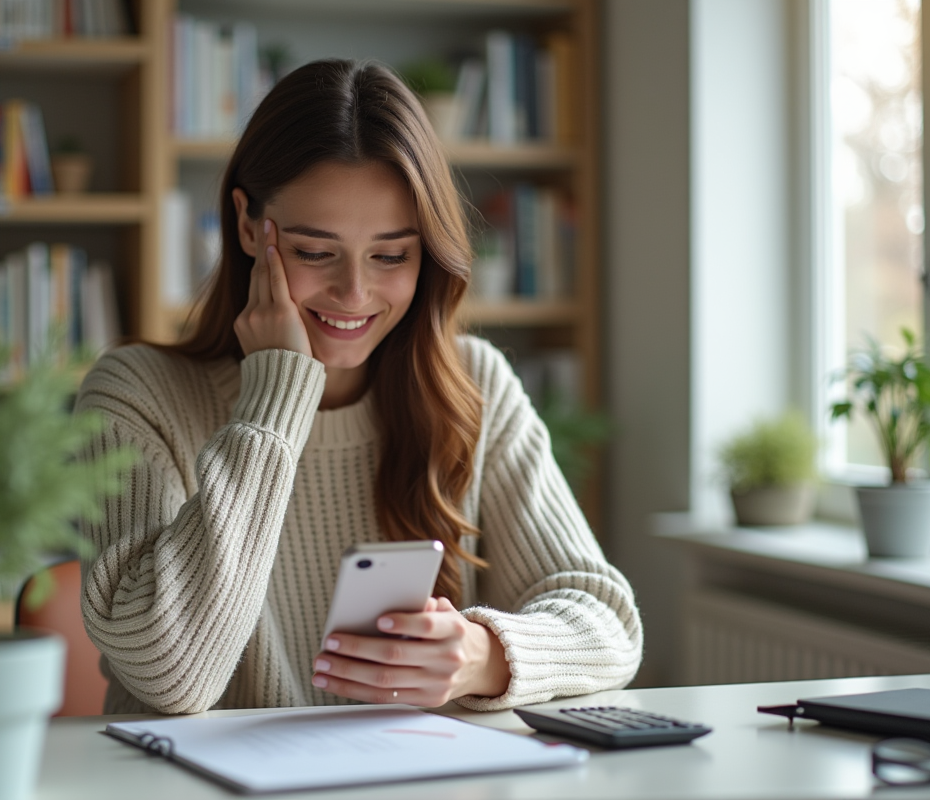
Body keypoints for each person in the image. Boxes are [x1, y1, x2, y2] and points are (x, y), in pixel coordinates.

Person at [76, 59, 642, 716]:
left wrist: (480, 654)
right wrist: (278, 395)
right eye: (315, 252)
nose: (354, 292)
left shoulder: (474, 382)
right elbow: (171, 674)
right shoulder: (136, 395)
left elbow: (608, 625)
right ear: (245, 225)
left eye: (391, 254)